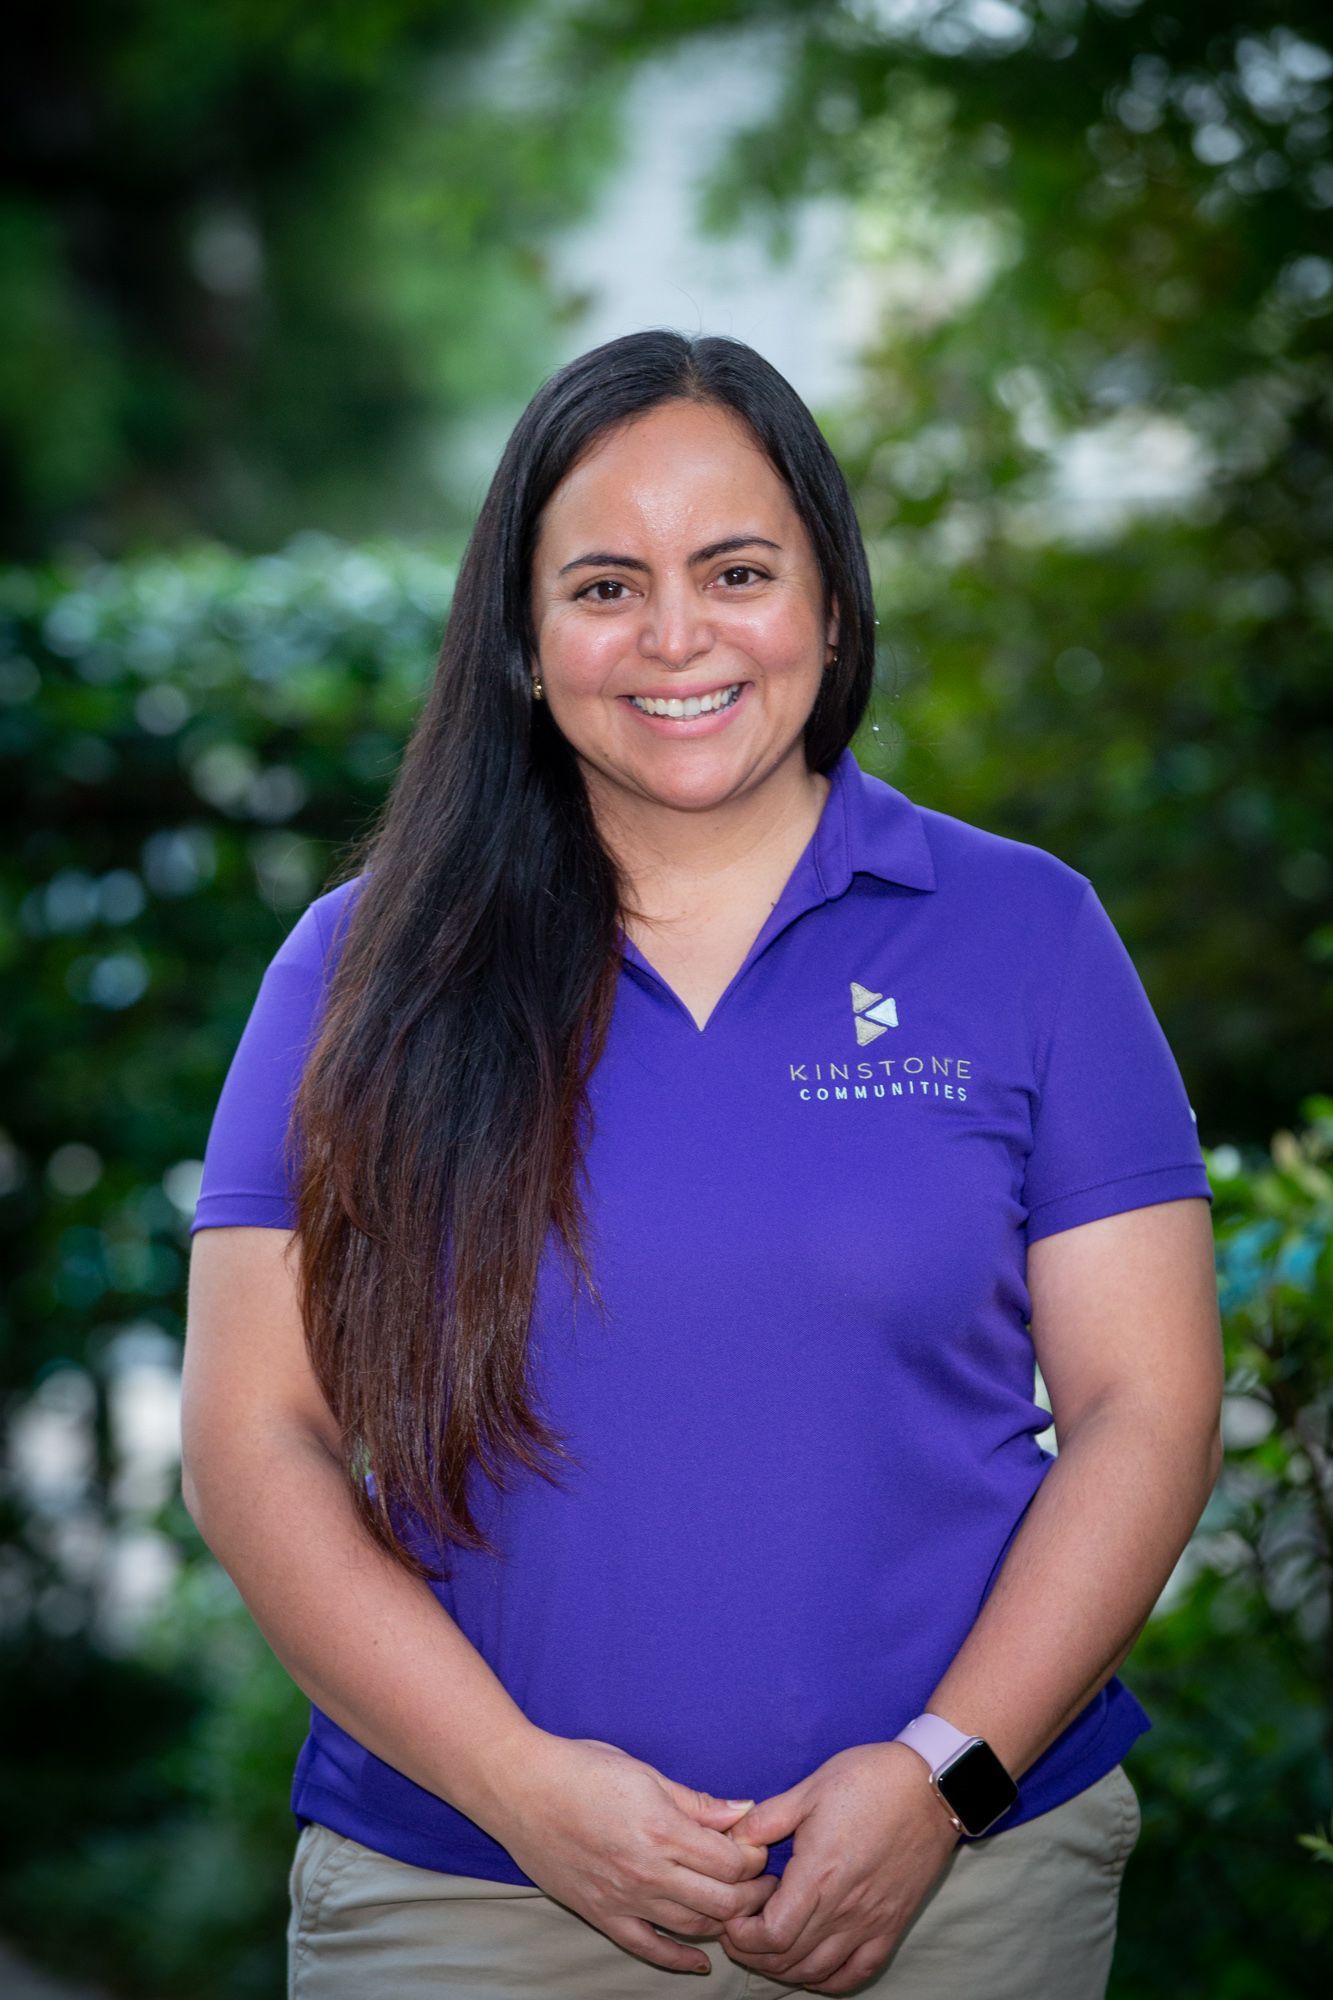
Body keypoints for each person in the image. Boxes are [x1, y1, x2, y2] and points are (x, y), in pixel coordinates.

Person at [180, 330, 1225, 2000]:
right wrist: (523, 1792)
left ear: (828, 600)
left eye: (736, 570)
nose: (677, 637)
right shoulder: (359, 966)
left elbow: (1144, 1412)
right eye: (604, 585)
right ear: (523, 639)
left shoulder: (1026, 934)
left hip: (960, 1890)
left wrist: (942, 1778)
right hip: (466, 1897)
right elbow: (254, 1444)